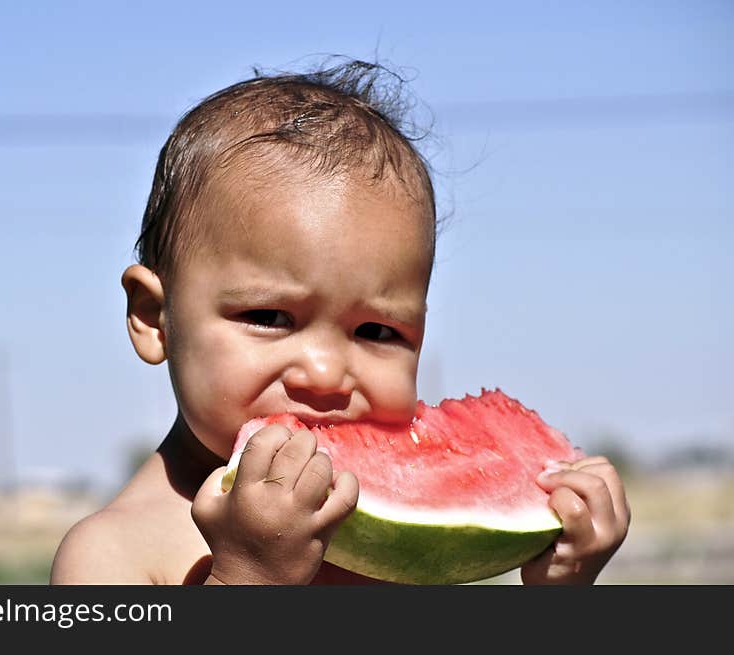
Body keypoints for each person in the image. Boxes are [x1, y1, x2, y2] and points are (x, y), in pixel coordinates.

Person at [50, 59, 630, 585]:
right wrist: (246, 581)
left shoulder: (405, 544)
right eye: (271, 317)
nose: (326, 375)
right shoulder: (110, 554)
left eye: (378, 332)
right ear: (155, 318)